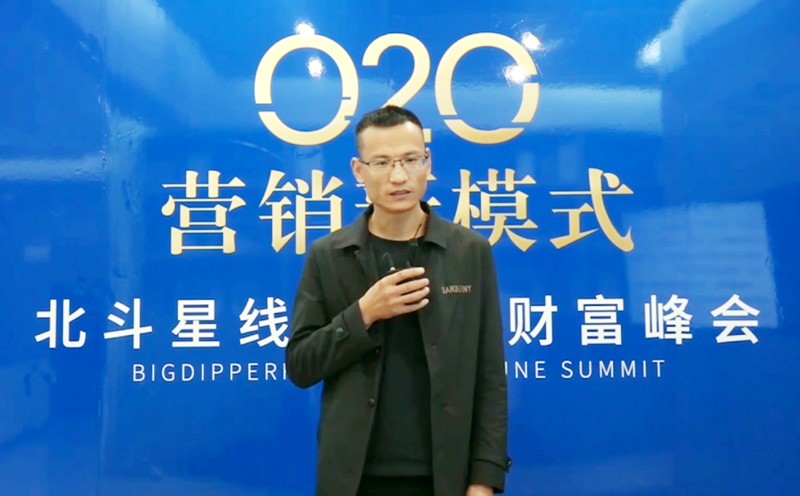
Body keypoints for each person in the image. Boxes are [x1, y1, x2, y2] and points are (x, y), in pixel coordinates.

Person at [287, 105, 510, 496]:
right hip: (355, 478)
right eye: (382, 163)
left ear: (428, 162)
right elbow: (301, 366)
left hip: (445, 476)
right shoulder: (329, 255)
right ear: (359, 171)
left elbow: (490, 375)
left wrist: (484, 479)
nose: (399, 176)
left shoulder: (468, 251)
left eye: (410, 159)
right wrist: (364, 314)